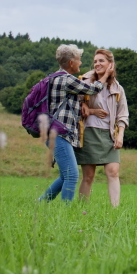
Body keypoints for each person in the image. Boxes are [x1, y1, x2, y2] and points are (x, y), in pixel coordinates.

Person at [38, 44, 115, 203]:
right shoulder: (66, 80)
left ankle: (40, 203)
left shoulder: (55, 77)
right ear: (71, 62)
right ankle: (66, 213)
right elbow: (93, 89)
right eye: (79, 60)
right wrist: (105, 74)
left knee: (64, 175)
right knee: (72, 175)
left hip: (55, 133)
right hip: (58, 133)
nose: (81, 63)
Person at [74, 49, 129, 207]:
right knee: (89, 176)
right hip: (89, 132)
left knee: (113, 172)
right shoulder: (85, 81)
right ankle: (81, 209)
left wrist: (120, 136)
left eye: (101, 61)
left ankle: (115, 210)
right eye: (95, 61)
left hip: (110, 135)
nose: (97, 64)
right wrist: (88, 108)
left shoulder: (118, 89)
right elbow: (75, 105)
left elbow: (123, 114)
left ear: (110, 64)